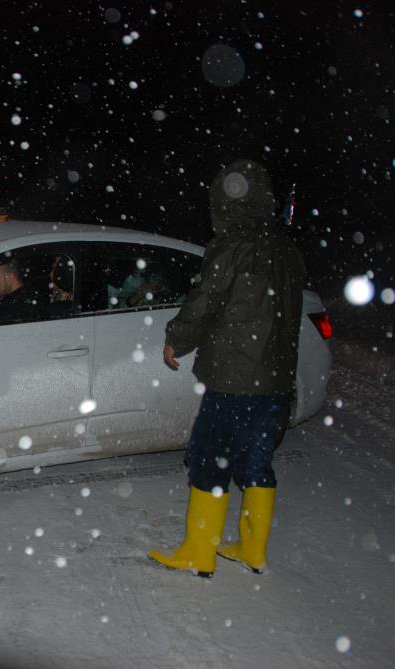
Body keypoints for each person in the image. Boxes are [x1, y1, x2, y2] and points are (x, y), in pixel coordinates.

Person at [148, 159, 308, 578]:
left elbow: (205, 300)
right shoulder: (286, 249)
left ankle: (199, 551)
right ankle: (253, 549)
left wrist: (176, 338)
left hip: (233, 377)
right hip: (274, 380)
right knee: (257, 461)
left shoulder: (233, 245)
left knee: (209, 459)